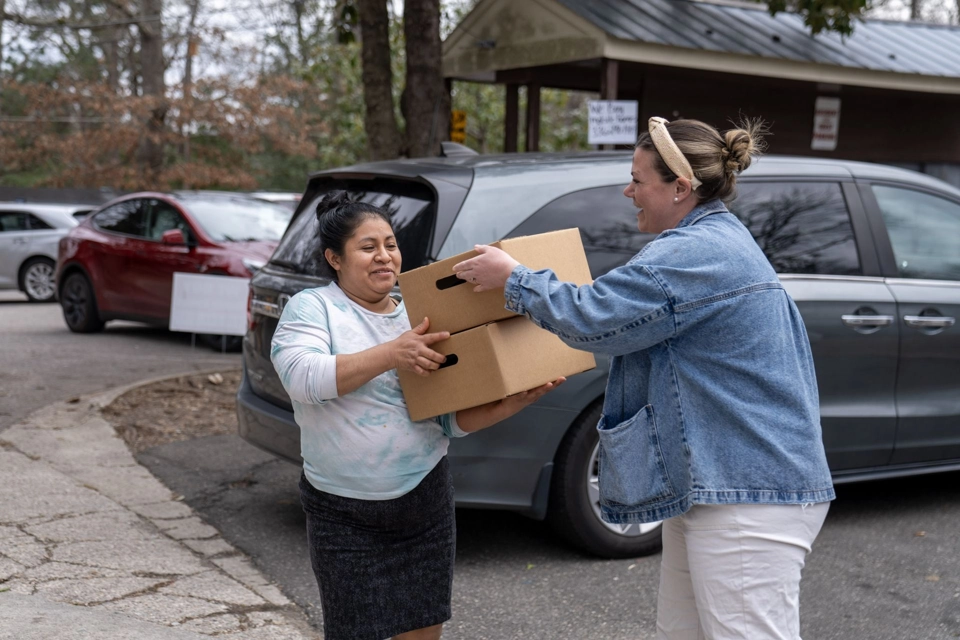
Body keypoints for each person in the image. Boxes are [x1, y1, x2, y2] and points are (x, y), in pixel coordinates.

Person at [453, 117, 835, 639]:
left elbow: (596, 318)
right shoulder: (710, 238)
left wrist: (513, 280)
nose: (627, 190)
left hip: (749, 497)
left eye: (638, 179)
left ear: (681, 188)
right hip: (717, 484)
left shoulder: (694, 252)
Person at [270, 191, 562, 640]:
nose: (385, 256)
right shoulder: (314, 308)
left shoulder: (419, 311)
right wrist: (393, 352)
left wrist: (507, 404)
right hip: (343, 515)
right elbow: (303, 379)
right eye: (368, 247)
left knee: (423, 632)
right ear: (334, 258)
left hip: (423, 502)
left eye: (391, 244)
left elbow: (443, 420)